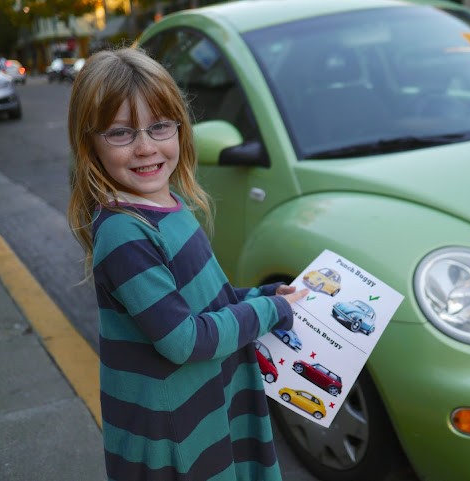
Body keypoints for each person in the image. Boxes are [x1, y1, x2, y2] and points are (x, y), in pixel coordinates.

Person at [66, 47, 307, 481]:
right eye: (121, 133)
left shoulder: (168, 204)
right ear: (90, 143)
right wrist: (267, 312)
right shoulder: (125, 233)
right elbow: (183, 339)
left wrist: (264, 295)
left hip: (203, 404)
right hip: (174, 433)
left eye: (159, 127)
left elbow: (205, 301)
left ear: (179, 127)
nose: (145, 148)